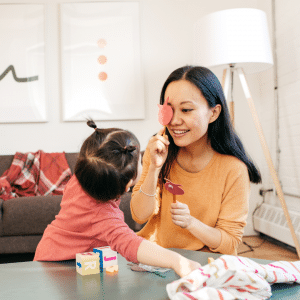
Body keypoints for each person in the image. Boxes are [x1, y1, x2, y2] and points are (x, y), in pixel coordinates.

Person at [34, 120, 201, 278]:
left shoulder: (85, 173)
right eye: (141, 161)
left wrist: (153, 168)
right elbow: (131, 244)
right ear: (127, 187)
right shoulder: (103, 216)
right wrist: (176, 260)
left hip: (49, 251)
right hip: (60, 266)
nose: (142, 163)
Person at [130, 66, 262, 256]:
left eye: (186, 109)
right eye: (169, 110)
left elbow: (230, 243)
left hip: (205, 265)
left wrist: (191, 223)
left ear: (214, 113)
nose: (174, 120)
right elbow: (139, 215)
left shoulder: (234, 169)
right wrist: (154, 170)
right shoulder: (158, 151)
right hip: (157, 258)